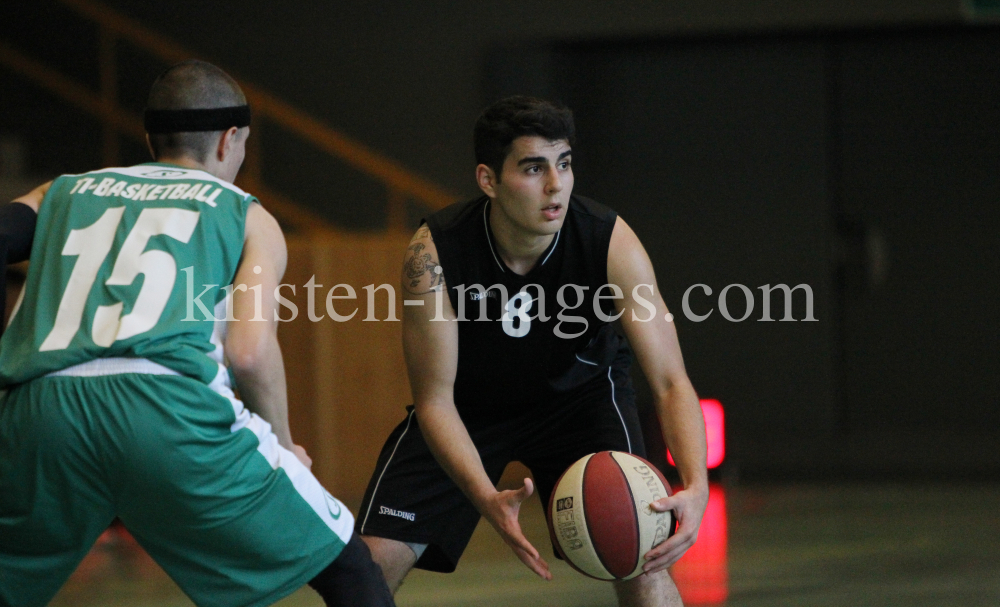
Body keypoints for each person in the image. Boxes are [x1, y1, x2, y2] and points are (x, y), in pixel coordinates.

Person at [0, 60, 394, 607]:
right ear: (232, 139)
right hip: (166, 410)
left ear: (149, 137)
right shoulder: (244, 213)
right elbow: (249, 352)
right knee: (349, 567)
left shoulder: (61, 192)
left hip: (40, 414)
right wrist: (283, 444)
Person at [356, 96, 709, 606]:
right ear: (488, 180)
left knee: (641, 553)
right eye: (533, 168)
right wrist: (484, 496)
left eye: (563, 164)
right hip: (469, 410)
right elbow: (434, 400)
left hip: (581, 402)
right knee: (369, 565)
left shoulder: (609, 240)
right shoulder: (436, 252)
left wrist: (695, 484)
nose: (556, 184)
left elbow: (671, 381)